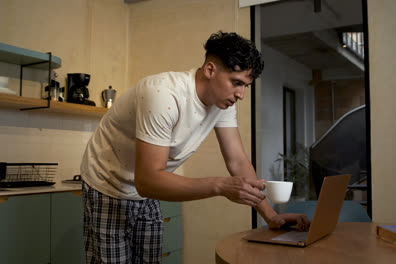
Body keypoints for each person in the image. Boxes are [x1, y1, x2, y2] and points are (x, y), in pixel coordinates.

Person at [80, 31, 310, 264]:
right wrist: (219, 185)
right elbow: (147, 180)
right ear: (210, 70)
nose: (240, 94)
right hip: (108, 183)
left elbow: (237, 161)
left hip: (147, 189)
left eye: (246, 86)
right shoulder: (162, 94)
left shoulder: (223, 104)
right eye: (236, 83)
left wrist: (271, 217)